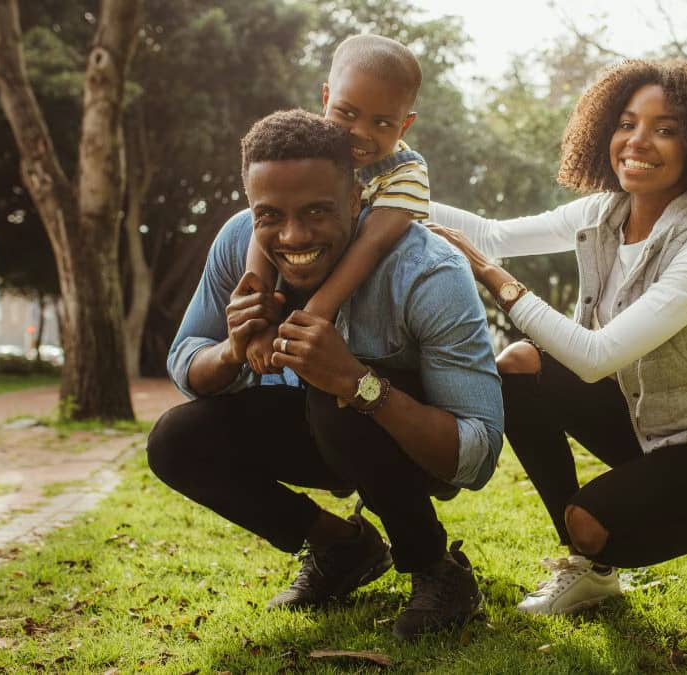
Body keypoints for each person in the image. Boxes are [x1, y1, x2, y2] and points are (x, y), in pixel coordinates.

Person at [429, 59, 687, 615]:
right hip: (650, 422)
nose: (637, 141)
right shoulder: (605, 212)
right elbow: (492, 235)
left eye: (666, 130)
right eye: (626, 123)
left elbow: (596, 358)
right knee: (520, 365)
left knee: (592, 523)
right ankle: (589, 569)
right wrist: (380, 196)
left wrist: (498, 282)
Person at [147, 109, 503, 640]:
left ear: (357, 201)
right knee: (176, 440)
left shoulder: (428, 270)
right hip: (315, 430)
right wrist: (232, 351)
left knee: (334, 397)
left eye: (317, 211)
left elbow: (477, 455)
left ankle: (437, 570)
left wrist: (361, 384)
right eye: (270, 216)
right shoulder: (238, 243)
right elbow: (186, 361)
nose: (293, 235)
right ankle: (343, 547)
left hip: (410, 445)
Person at [242, 34, 430, 376]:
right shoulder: (305, 149)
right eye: (347, 112)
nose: (359, 132)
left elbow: (370, 246)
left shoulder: (406, 174)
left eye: (382, 123)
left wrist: (308, 322)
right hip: (293, 281)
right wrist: (260, 322)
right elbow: (265, 228)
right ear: (326, 98)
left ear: (405, 124)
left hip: (360, 311)